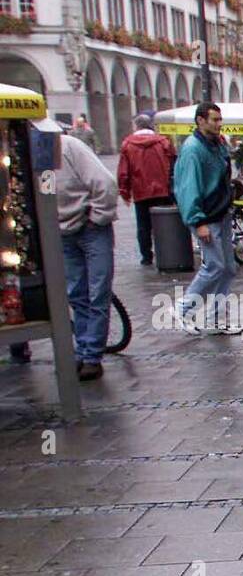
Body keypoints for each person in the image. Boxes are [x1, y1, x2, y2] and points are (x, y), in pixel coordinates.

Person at [54, 130, 118, 381]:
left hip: (91, 228)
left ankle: (92, 356)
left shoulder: (69, 147)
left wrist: (97, 217)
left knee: (98, 290)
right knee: (76, 293)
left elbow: (104, 182)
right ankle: (82, 351)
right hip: (61, 230)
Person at [172, 101, 239, 335]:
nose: (219, 124)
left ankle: (217, 318)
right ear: (201, 120)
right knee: (215, 265)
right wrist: (198, 221)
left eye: (220, 119)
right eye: (215, 120)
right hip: (207, 215)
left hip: (220, 212)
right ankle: (183, 308)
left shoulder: (216, 144)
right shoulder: (193, 149)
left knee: (228, 267)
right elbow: (188, 187)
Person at [117, 113, 176, 266]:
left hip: (140, 190)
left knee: (143, 225)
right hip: (162, 189)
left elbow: (123, 171)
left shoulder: (128, 145)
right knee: (164, 222)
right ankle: (168, 251)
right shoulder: (163, 142)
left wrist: (124, 191)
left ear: (136, 126)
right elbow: (174, 162)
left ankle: (146, 257)